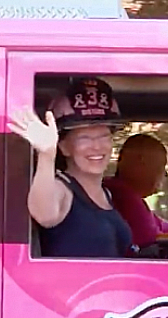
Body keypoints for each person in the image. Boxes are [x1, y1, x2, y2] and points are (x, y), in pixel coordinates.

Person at [9, 77, 135, 259]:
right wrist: (46, 155)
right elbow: (44, 215)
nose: (97, 146)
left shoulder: (106, 194)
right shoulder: (62, 188)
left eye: (104, 136)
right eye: (84, 138)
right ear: (64, 147)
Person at [104, 133, 168, 248]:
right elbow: (157, 245)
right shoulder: (124, 197)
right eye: (161, 167)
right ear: (140, 163)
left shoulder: (128, 195)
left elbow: (166, 227)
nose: (165, 174)